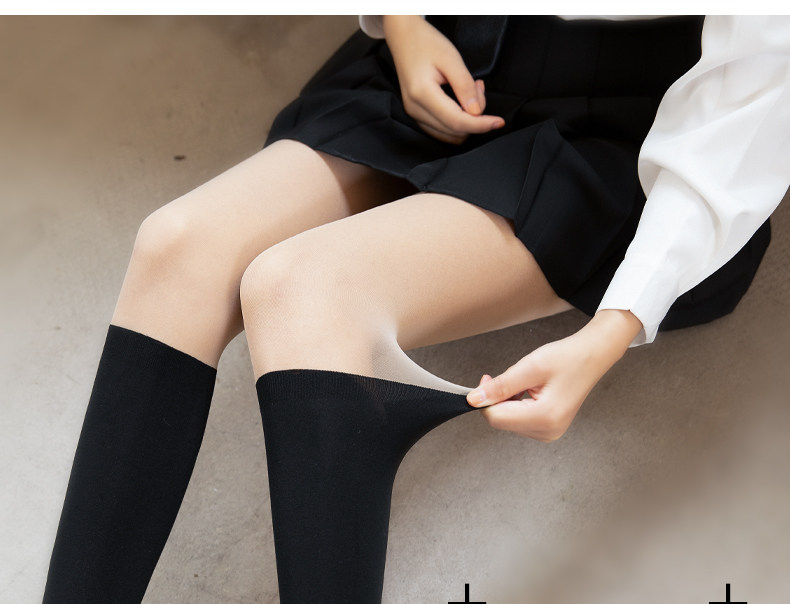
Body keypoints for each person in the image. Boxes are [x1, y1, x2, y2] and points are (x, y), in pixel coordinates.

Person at [42, 14, 789, 604]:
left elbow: (754, 91)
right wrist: (400, 23)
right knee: (176, 247)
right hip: (446, 51)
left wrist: (611, 329)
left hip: (636, 118)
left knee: (303, 289)